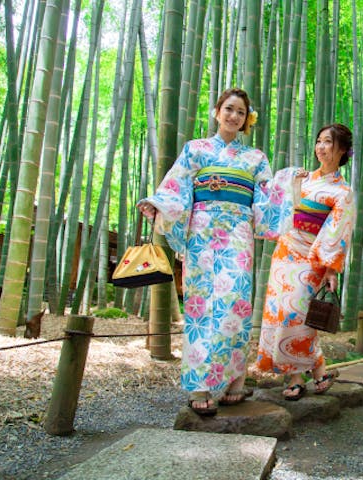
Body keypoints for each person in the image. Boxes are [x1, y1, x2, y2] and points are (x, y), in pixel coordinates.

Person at [137, 87, 275, 415]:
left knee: (236, 307)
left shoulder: (256, 158)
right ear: (217, 111)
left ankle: (235, 381)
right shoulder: (195, 150)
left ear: (246, 120)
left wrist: (289, 187)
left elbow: (269, 199)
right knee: (200, 310)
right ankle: (200, 385)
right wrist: (158, 203)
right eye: (229, 109)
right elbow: (177, 188)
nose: (233, 116)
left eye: (240, 112)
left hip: (238, 235)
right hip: (201, 233)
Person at [255, 123, 356, 401]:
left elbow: (337, 232)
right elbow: (280, 207)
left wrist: (331, 268)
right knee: (279, 314)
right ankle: (305, 374)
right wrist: (293, 184)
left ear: (343, 151)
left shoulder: (343, 191)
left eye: (329, 143)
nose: (322, 147)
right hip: (285, 250)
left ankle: (308, 371)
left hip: (311, 255)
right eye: (319, 141)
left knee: (297, 315)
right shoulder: (302, 177)